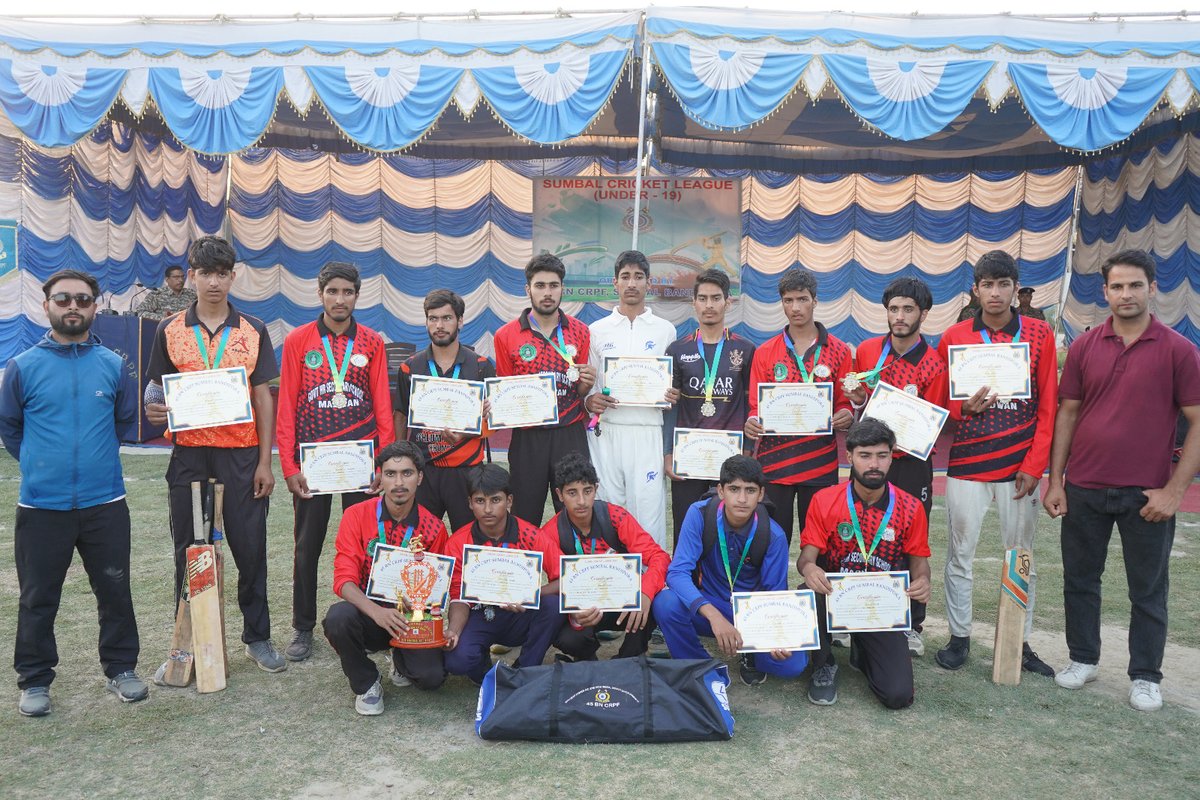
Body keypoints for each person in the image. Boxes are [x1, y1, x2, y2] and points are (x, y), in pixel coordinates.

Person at [1043, 249, 1200, 712]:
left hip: (1147, 494)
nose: (1126, 294)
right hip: (1086, 487)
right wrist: (1057, 481)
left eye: (1135, 285)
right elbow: (1067, 414)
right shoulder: (1086, 347)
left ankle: (1146, 675)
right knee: (1080, 580)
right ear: (1105, 291)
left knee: (1147, 588)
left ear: (1153, 289)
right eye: (1117, 286)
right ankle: (1082, 658)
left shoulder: (1178, 350)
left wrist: (1174, 491)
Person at [0, 270, 147, 717]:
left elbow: (124, 421)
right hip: (43, 506)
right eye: (62, 299)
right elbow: (9, 427)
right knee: (38, 596)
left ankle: (121, 669)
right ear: (46, 305)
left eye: (82, 300)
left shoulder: (112, 364)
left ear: (94, 308)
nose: (73, 307)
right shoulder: (23, 366)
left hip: (105, 502)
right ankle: (35, 679)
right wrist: (39, 466)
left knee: (115, 590)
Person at [144, 235, 286, 674]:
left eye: (222, 273)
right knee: (189, 549)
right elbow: (154, 388)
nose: (214, 282)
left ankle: (257, 638)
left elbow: (263, 398)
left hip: (241, 455)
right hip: (189, 453)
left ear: (233, 276)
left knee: (250, 548)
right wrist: (153, 411)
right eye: (205, 273)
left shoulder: (253, 329)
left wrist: (265, 461)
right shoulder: (170, 328)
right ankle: (185, 642)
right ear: (192, 275)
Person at [934, 250, 1056, 677]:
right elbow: (940, 403)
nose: (996, 293)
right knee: (960, 555)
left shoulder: (1040, 334)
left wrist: (1035, 464)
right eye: (987, 284)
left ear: (1016, 289)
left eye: (1004, 284)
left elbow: (1049, 406)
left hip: (1019, 470)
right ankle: (959, 636)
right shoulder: (953, 337)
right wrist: (961, 408)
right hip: (967, 463)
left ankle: (1018, 642)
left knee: (1020, 557)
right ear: (976, 289)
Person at [276, 261, 395, 663]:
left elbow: (382, 402)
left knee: (366, 545)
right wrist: (290, 466)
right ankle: (302, 628)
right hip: (314, 463)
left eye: (347, 292)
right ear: (320, 294)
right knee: (307, 547)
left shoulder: (372, 342)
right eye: (333, 292)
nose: (340, 299)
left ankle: (368, 623)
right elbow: (287, 406)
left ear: (357, 296)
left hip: (360, 462)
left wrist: (385, 463)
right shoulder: (299, 340)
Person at [844, 276, 947, 657]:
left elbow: (936, 423)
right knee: (859, 533)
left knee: (910, 541)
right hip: (872, 460)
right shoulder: (870, 351)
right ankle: (854, 611)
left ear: (923, 313)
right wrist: (856, 399)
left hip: (912, 463)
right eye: (893, 309)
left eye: (908, 309)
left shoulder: (934, 363)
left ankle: (912, 624)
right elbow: (859, 403)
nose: (899, 316)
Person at [797, 419, 932, 709]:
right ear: (850, 458)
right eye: (865, 455)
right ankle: (823, 664)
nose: (874, 464)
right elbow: (806, 558)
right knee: (810, 591)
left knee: (898, 696)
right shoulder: (824, 500)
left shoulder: (910, 507)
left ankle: (864, 648)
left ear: (892, 456)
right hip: (835, 597)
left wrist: (923, 582)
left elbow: (920, 563)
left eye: (882, 456)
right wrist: (810, 569)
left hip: (881, 604)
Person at [652, 455, 809, 686]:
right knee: (666, 603)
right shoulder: (700, 514)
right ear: (721, 491)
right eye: (734, 489)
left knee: (792, 665)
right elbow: (677, 572)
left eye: (750, 490)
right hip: (711, 604)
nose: (742, 499)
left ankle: (751, 652)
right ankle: (699, 665)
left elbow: (774, 596)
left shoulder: (773, 535)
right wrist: (714, 616)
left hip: (753, 613)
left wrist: (776, 636)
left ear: (761, 494)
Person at [322, 442, 450, 715]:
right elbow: (343, 580)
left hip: (409, 619)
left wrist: (416, 621)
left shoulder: (434, 528)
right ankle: (367, 682)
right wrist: (378, 613)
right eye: (390, 474)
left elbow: (434, 594)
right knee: (338, 619)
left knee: (431, 679)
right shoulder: (355, 515)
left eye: (407, 473)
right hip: (368, 614)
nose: (398, 482)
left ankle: (400, 656)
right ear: (381, 476)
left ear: (420, 478)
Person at [745, 268, 854, 542]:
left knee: (820, 542)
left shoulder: (840, 351)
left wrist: (846, 414)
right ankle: (774, 587)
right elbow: (755, 406)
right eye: (789, 300)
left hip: (820, 464)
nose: (795, 307)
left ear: (815, 301)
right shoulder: (765, 352)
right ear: (781, 302)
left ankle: (816, 587)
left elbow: (845, 403)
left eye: (802, 299)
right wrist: (752, 421)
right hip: (774, 465)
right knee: (772, 543)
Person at [585, 250, 680, 548]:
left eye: (639, 277)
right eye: (625, 277)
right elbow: (590, 386)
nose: (632, 283)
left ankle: (653, 583)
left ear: (648, 283)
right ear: (615, 282)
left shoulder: (665, 330)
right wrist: (590, 401)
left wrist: (670, 395)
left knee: (648, 511)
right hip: (607, 432)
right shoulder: (596, 330)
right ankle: (611, 578)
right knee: (608, 509)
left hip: (648, 431)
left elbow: (669, 386)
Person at [493, 254, 595, 525]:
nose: (547, 293)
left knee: (576, 513)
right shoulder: (505, 335)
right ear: (528, 290)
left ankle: (570, 568)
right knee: (525, 515)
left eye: (553, 285)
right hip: (528, 439)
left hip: (570, 434)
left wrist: (587, 383)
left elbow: (581, 391)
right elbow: (505, 390)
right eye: (540, 286)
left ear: (563, 289)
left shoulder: (581, 332)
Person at [442, 464, 565, 683]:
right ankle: (483, 671)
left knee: (553, 606)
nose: (488, 509)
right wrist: (453, 630)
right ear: (470, 503)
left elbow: (565, 579)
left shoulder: (531, 535)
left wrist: (531, 596)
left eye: (495, 500)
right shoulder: (458, 542)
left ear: (509, 501)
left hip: (521, 613)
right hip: (481, 614)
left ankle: (526, 668)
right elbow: (458, 598)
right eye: (480, 501)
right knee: (457, 661)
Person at [542, 452, 670, 661]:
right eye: (572, 493)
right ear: (559, 494)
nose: (581, 501)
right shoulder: (550, 533)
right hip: (583, 608)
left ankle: (629, 658)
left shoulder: (616, 517)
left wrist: (645, 593)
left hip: (623, 600)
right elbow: (558, 585)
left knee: (653, 602)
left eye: (587, 491)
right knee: (566, 635)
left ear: (596, 489)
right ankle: (587, 658)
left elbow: (659, 557)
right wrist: (572, 613)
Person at [664, 268, 756, 546]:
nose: (709, 305)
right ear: (693, 303)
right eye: (702, 298)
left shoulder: (746, 349)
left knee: (728, 531)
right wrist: (668, 454)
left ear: (728, 302)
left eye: (716, 298)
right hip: (687, 457)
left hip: (730, 457)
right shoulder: (677, 350)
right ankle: (686, 584)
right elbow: (671, 408)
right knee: (686, 528)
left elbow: (753, 405)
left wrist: (749, 451)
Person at [395, 289, 495, 532]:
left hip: (467, 470)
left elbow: (492, 419)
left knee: (469, 540)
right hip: (424, 471)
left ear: (460, 321)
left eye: (447, 318)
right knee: (420, 541)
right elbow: (400, 413)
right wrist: (401, 455)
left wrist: (467, 433)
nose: (439, 325)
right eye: (433, 318)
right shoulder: (410, 367)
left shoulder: (481, 367)